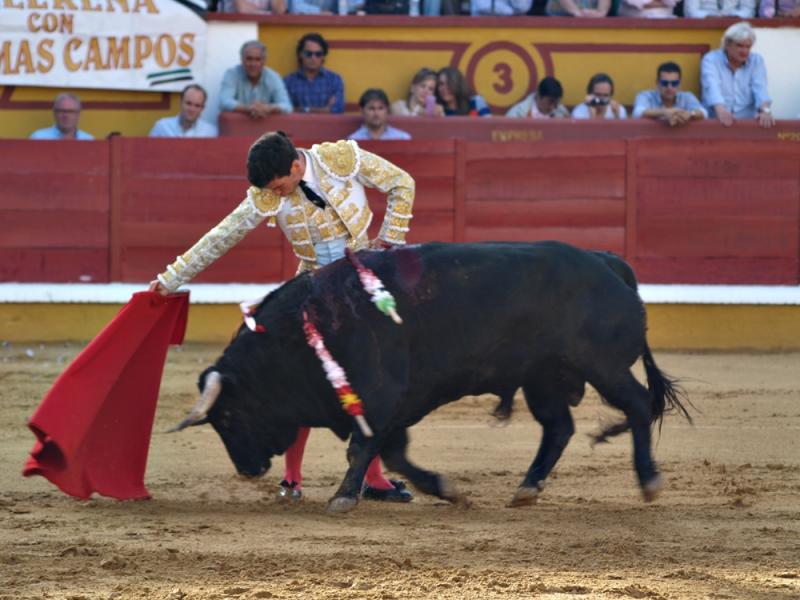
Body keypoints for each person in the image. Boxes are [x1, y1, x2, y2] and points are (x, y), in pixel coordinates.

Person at [149, 131, 415, 503]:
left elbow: (403, 183)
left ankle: (372, 477)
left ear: (295, 166)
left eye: (279, 187)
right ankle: (292, 479)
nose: (276, 195)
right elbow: (221, 237)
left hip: (361, 282)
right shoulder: (265, 193)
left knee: (369, 381)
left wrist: (389, 243)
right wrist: (168, 280)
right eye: (271, 191)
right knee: (299, 381)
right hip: (310, 290)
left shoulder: (339, 160)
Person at [700, 22, 774, 129]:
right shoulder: (711, 60)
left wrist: (765, 111)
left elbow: (760, 89)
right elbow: (712, 87)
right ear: (727, 44)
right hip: (716, 123)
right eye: (739, 46)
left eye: (748, 47)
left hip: (747, 125)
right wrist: (722, 112)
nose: (744, 51)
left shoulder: (756, 61)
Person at [219, 40, 293, 119]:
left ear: (264, 61)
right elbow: (224, 102)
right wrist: (248, 108)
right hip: (238, 127)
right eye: (249, 59)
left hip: (266, 128)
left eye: (258, 59)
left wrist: (269, 108)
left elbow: (287, 106)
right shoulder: (232, 74)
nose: (253, 64)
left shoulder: (273, 77)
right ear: (241, 60)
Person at [283, 33, 344, 114]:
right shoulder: (288, 81)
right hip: (296, 126)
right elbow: (285, 110)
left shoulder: (334, 80)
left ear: (323, 56)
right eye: (308, 54)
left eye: (318, 54)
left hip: (326, 126)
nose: (313, 58)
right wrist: (325, 110)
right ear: (300, 54)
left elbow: (337, 110)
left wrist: (302, 109)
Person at [632, 62, 707, 126]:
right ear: (657, 83)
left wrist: (690, 114)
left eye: (674, 83)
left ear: (679, 84)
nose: (669, 87)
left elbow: (704, 112)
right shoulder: (645, 96)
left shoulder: (687, 96)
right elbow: (637, 112)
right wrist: (665, 112)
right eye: (665, 83)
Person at [149, 84, 219, 138]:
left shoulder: (211, 132)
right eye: (188, 103)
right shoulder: (162, 127)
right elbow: (150, 153)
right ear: (180, 102)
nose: (192, 109)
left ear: (202, 108)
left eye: (197, 105)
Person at [30, 93, 94, 140]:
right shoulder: (39, 137)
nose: (66, 116)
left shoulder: (88, 139)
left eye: (71, 111)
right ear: (54, 113)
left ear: (79, 114)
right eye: (62, 111)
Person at [505, 76, 570, 119]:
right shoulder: (516, 115)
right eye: (550, 102)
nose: (552, 108)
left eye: (556, 104)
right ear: (538, 96)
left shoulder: (562, 114)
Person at [684, 0, 755, 16]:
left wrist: (734, 16)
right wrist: (709, 16)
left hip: (736, 28)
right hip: (702, 28)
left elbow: (749, 10)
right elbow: (691, 11)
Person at [545, 0, 610, 16]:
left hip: (595, 24)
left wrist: (601, 13)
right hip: (558, 24)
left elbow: (602, 12)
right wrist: (577, 12)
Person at [218, 0, 287, 12]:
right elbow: (242, 9)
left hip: (262, 28)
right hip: (231, 28)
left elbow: (280, 10)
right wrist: (269, 13)